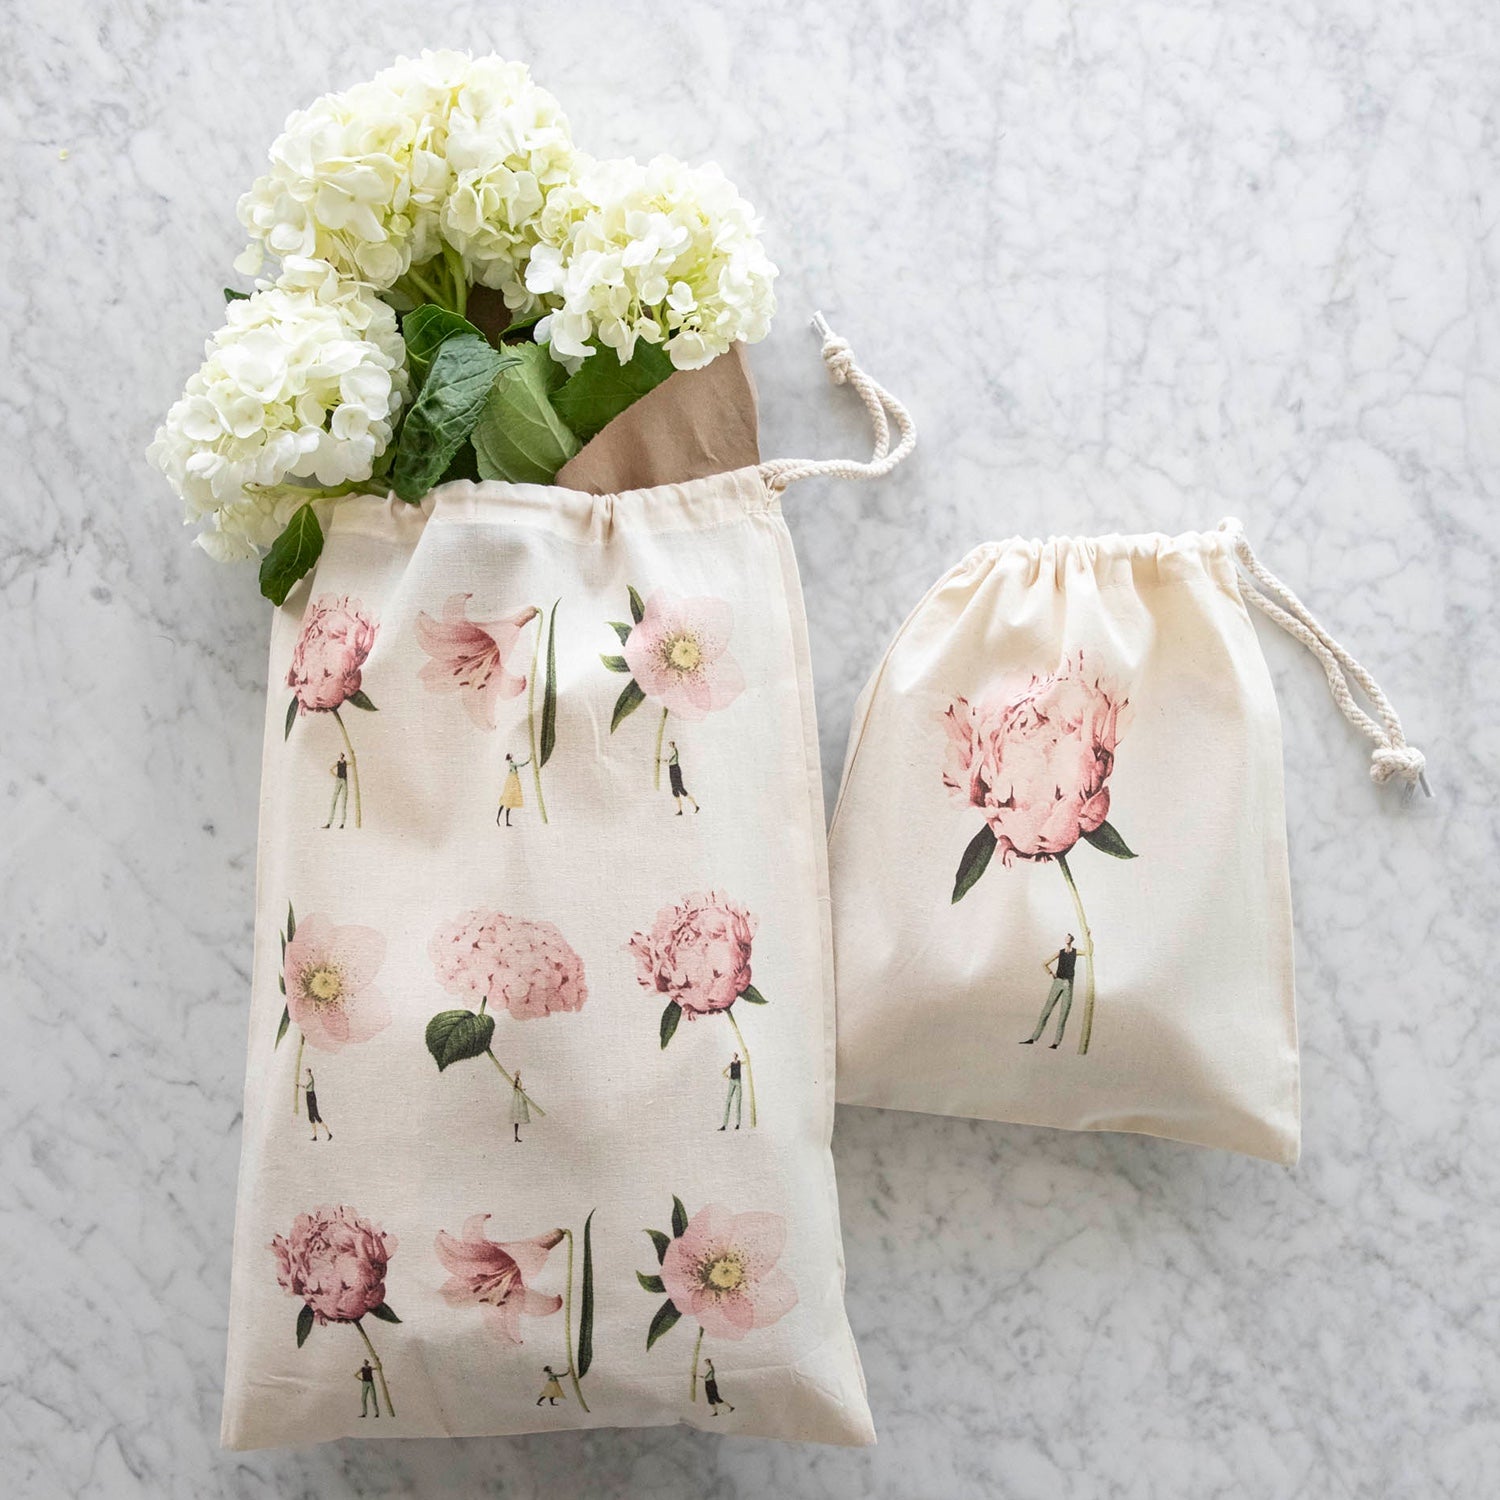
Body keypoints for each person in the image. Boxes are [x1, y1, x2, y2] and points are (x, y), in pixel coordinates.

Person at [1023, 934, 1078, 1048]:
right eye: (1066, 937)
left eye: (1069, 937)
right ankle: (1034, 1037)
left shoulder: (1076, 952)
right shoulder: (1060, 952)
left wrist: (1088, 936)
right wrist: (1050, 973)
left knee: (1063, 1014)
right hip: (1058, 982)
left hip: (1068, 983)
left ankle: (1056, 1043)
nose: (1067, 939)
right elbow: (1044, 963)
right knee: (1046, 1010)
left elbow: (1089, 952)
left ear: (1072, 940)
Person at [665, 739, 700, 815]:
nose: (669, 745)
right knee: (675, 790)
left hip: (675, 770)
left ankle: (695, 806)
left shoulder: (674, 751)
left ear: (673, 744)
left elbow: (668, 760)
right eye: (669, 744)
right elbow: (668, 761)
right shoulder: (672, 751)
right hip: (672, 770)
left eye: (670, 744)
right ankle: (681, 810)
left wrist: (660, 760)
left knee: (680, 789)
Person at [497, 752, 529, 827]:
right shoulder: (512, 763)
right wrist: (528, 761)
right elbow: (520, 765)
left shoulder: (511, 763)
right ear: (510, 757)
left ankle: (503, 821)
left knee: (507, 805)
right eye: (510, 755)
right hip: (512, 780)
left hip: (512, 780)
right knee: (506, 803)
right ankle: (500, 819)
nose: (512, 755)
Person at [303, 1067, 331, 1141]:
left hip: (311, 1096)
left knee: (316, 1116)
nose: (305, 1073)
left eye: (306, 1071)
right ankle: (315, 1136)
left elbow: (306, 1086)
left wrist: (299, 1085)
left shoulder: (310, 1078)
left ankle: (328, 1133)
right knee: (311, 1117)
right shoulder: (309, 1077)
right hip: (309, 1096)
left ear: (308, 1072)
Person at [323, 752, 349, 829]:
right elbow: (331, 769)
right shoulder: (337, 763)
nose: (341, 756)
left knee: (343, 802)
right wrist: (336, 776)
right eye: (340, 755)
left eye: (342, 755)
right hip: (339, 780)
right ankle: (329, 823)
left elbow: (353, 762)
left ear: (343, 756)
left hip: (344, 781)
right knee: (334, 800)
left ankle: (342, 823)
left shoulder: (346, 762)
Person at [719, 1052, 743, 1131]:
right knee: (728, 1101)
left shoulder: (739, 1062)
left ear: (737, 1056)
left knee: (738, 1101)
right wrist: (728, 1077)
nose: (735, 1056)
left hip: (738, 1081)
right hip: (732, 1081)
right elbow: (723, 1071)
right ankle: (724, 1125)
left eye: (735, 1055)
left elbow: (747, 1062)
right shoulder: (731, 1064)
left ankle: (738, 1123)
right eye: (734, 1055)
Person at [510, 1070, 529, 1143]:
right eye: (517, 1074)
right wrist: (521, 1089)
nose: (518, 1074)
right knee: (517, 1115)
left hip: (519, 1095)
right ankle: (516, 1136)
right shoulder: (516, 1080)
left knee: (518, 1118)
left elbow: (516, 1087)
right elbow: (515, 1087)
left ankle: (516, 1136)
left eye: (519, 1074)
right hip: (517, 1097)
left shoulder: (518, 1080)